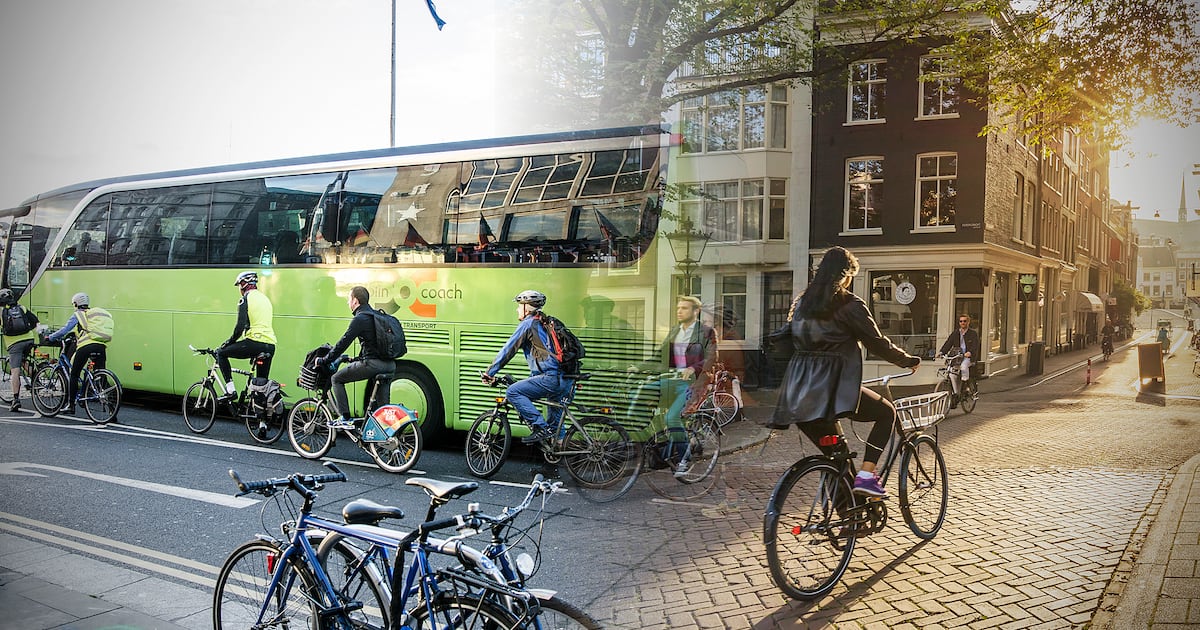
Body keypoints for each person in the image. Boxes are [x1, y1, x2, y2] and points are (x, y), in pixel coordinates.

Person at [769, 247, 920, 498]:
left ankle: (850, 514)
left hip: (798, 394)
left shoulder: (803, 303)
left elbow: (784, 340)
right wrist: (907, 360)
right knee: (887, 413)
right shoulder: (849, 304)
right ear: (846, 275)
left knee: (836, 459)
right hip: (832, 389)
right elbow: (876, 343)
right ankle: (867, 476)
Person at [482, 290, 572, 444]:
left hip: (551, 379)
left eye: (519, 306)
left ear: (526, 308)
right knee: (555, 429)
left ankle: (539, 427)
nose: (517, 309)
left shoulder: (528, 324)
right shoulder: (547, 323)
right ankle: (558, 450)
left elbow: (508, 350)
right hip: (566, 379)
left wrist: (490, 372)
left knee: (513, 392)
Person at [314, 285, 394, 429]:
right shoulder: (376, 316)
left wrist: (325, 360)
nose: (347, 302)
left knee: (336, 379)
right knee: (384, 410)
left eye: (348, 299)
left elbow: (343, 343)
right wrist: (355, 359)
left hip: (373, 365)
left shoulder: (360, 318)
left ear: (355, 301)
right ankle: (388, 437)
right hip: (389, 365)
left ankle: (345, 418)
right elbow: (373, 346)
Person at [44, 292, 113, 416]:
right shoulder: (92, 315)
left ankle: (71, 405)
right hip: (101, 346)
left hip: (86, 346)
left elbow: (65, 330)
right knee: (101, 376)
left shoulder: (78, 314)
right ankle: (112, 408)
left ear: (76, 304)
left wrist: (51, 337)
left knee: (74, 374)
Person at [215, 271, 276, 399]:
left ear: (243, 284)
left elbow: (240, 327)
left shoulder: (245, 299)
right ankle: (261, 411)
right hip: (270, 346)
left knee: (221, 353)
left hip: (254, 343)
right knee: (261, 385)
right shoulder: (265, 299)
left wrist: (229, 342)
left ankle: (230, 391)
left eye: (239, 285)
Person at [0, 288, 38, 412]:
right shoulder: (22, 308)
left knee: (15, 371)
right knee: (24, 361)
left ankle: (16, 399)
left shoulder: (1, 312)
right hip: (29, 339)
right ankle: (37, 380)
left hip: (14, 343)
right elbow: (35, 321)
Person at [938, 313, 981, 404]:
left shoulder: (973, 333)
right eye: (961, 321)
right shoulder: (955, 333)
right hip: (957, 357)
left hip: (968, 357)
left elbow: (975, 345)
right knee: (952, 373)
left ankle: (966, 387)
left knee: (964, 367)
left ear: (968, 322)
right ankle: (956, 393)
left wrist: (970, 352)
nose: (962, 323)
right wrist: (941, 352)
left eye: (964, 321)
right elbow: (948, 343)